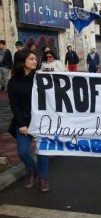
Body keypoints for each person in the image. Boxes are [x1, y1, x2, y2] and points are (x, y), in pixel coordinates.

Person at [8, 50, 50, 192]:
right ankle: (32, 170)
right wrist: (21, 124)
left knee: (43, 152)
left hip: (42, 122)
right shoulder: (13, 82)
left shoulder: (40, 78)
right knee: (23, 152)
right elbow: (14, 105)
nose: (35, 61)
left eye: (35, 59)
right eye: (31, 59)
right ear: (22, 62)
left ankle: (43, 178)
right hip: (23, 123)